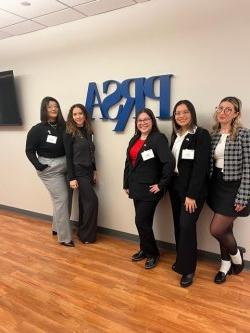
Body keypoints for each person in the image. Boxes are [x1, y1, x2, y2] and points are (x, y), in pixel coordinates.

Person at [123, 108, 174, 269]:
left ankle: (153, 254)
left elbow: (169, 163)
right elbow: (128, 163)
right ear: (136, 124)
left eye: (146, 119)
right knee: (142, 222)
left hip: (150, 189)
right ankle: (145, 249)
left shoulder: (158, 139)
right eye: (140, 120)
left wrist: (161, 184)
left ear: (152, 121)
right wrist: (126, 183)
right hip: (136, 187)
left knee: (141, 222)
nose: (143, 123)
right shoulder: (134, 139)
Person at [207, 96, 250, 284]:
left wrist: (243, 195)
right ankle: (224, 265)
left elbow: (249, 167)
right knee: (225, 230)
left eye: (228, 110)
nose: (222, 112)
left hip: (234, 188)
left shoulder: (244, 134)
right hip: (216, 185)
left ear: (236, 114)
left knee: (216, 229)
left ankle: (236, 255)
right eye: (220, 108)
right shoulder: (213, 134)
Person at [169, 100, 211, 287]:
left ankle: (188, 269)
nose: (181, 115)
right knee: (179, 225)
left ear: (192, 113)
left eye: (185, 112)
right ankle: (181, 260)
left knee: (186, 226)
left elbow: (200, 167)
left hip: (192, 191)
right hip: (175, 186)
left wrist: (192, 195)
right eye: (177, 113)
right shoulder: (176, 136)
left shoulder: (201, 134)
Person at [26, 96, 73, 246]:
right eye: (50, 107)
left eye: (56, 106)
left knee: (66, 198)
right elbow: (29, 151)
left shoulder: (63, 126)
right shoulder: (37, 129)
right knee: (62, 198)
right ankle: (65, 238)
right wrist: (39, 166)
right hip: (50, 168)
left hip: (66, 164)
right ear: (44, 110)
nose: (54, 109)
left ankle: (57, 227)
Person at [64, 104, 98, 244]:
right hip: (78, 172)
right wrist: (71, 177)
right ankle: (87, 235)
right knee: (92, 201)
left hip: (89, 171)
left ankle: (82, 233)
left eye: (80, 113)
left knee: (84, 203)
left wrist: (95, 170)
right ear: (71, 117)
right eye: (75, 114)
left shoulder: (88, 130)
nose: (78, 116)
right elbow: (68, 156)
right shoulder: (69, 133)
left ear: (85, 115)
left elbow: (91, 153)